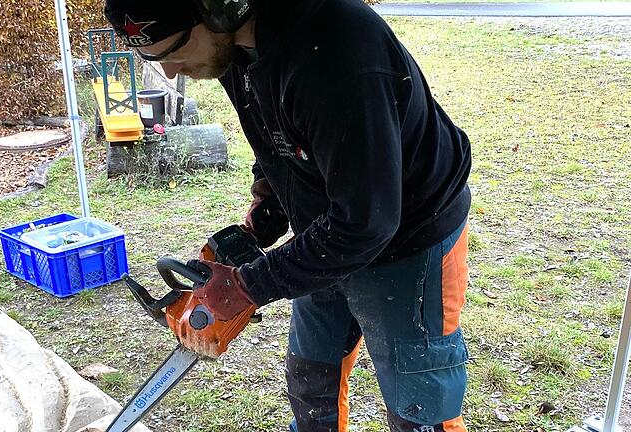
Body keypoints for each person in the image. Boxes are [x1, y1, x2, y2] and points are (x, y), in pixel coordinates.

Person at [104, 0, 473, 431]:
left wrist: (250, 285)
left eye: (172, 52)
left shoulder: (337, 50)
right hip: (325, 234)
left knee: (419, 406)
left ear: (219, 7)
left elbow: (366, 220)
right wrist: (271, 203)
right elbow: (276, 131)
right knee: (311, 377)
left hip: (408, 239)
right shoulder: (235, 50)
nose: (169, 72)